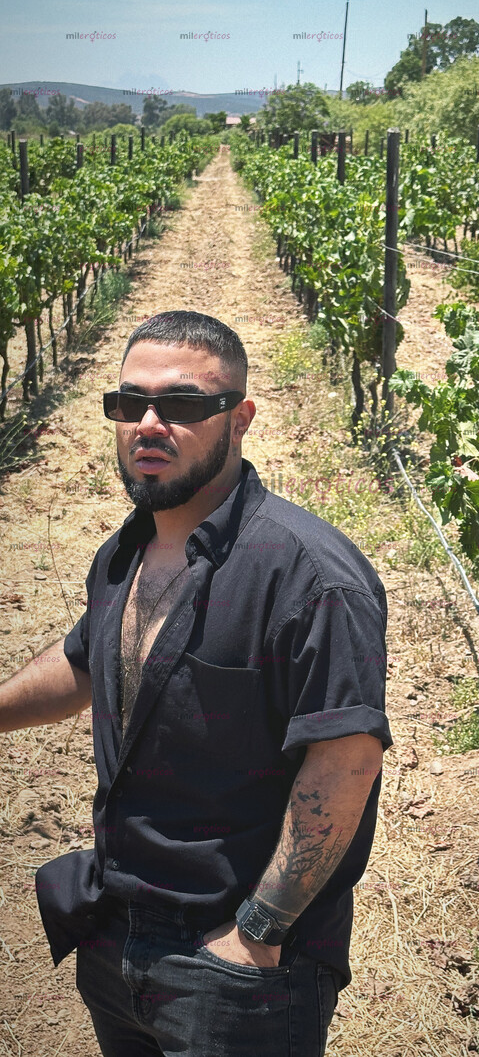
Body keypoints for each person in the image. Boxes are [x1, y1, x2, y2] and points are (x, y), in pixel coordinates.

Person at [0, 310, 393, 1057]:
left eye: (182, 405)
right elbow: (90, 661)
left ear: (239, 419)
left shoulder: (309, 577)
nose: (148, 424)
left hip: (234, 964)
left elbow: (345, 763)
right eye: (129, 404)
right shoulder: (130, 546)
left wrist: (257, 932)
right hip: (114, 926)